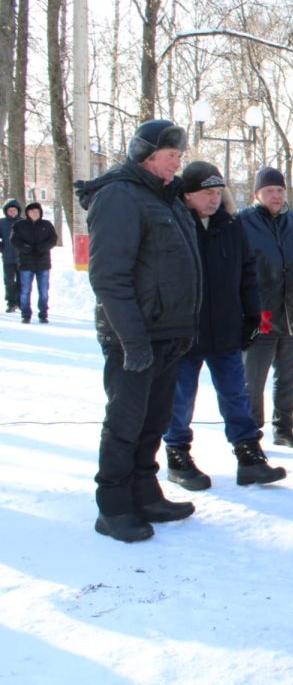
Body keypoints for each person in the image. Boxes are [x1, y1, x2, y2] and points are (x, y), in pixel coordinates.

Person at [75, 119, 201, 543]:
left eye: (179, 157)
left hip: (168, 332)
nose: (177, 165)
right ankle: (112, 506)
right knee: (125, 422)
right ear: (146, 156)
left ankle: (144, 493)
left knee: (154, 420)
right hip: (135, 336)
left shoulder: (167, 199)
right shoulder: (119, 197)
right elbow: (110, 277)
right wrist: (132, 340)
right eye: (171, 157)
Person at [162, 162, 286, 491]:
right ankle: (177, 453)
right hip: (185, 330)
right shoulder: (173, 224)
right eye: (207, 193)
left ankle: (248, 454)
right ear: (187, 194)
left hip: (226, 328)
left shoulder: (230, 226)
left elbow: (248, 273)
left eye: (218, 193)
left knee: (236, 394)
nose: (214, 200)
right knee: (181, 396)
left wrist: (252, 316)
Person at [241, 166, 293, 449]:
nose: (276, 196)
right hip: (261, 314)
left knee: (289, 375)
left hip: (292, 312)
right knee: (253, 377)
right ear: (257, 193)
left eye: (280, 190)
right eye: (270, 190)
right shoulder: (243, 223)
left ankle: (284, 427)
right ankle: (250, 430)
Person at [11, 200, 57, 324]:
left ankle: (43, 314)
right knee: (25, 290)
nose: (34, 213)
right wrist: (25, 248)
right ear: (27, 213)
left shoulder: (46, 225)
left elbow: (53, 239)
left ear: (40, 212)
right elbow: (14, 240)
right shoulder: (20, 225)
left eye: (37, 211)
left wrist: (43, 247)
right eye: (32, 211)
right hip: (26, 263)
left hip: (43, 263)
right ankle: (25, 314)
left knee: (43, 291)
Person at [0, 198, 21, 312]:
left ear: (18, 211)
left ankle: (20, 302)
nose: (12, 212)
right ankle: (11, 303)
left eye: (14, 210)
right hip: (7, 258)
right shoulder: (2, 223)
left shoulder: (23, 222)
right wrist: (2, 248)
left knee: (21, 281)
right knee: (9, 281)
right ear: (6, 211)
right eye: (10, 210)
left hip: (22, 258)